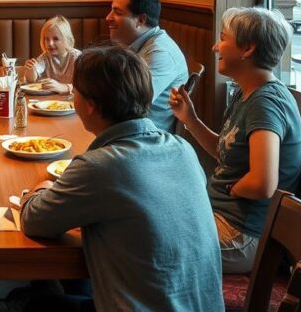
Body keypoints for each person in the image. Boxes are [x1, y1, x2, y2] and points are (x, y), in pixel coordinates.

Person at [14, 44, 223, 312]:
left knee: (32, 303)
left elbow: (34, 221)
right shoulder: (182, 149)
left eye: (75, 92)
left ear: (90, 105)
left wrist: (36, 192)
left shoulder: (99, 166)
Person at [169, 7, 301, 274]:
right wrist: (191, 120)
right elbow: (227, 151)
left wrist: (230, 189)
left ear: (248, 49)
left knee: (147, 243)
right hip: (225, 219)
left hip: (243, 235)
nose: (215, 46)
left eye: (223, 38)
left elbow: (263, 184)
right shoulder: (248, 93)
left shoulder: (265, 103)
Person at [105, 0, 187, 133]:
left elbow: (133, 105)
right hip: (126, 129)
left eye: (117, 12)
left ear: (141, 20)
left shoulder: (161, 53)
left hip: (144, 139)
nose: (108, 17)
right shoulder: (133, 45)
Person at [23, 16, 81, 94]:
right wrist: (31, 69)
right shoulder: (45, 57)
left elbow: (85, 85)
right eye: (47, 39)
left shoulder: (77, 58)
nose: (50, 43)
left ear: (66, 39)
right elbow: (31, 79)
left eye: (55, 39)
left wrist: (65, 87)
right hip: (48, 101)